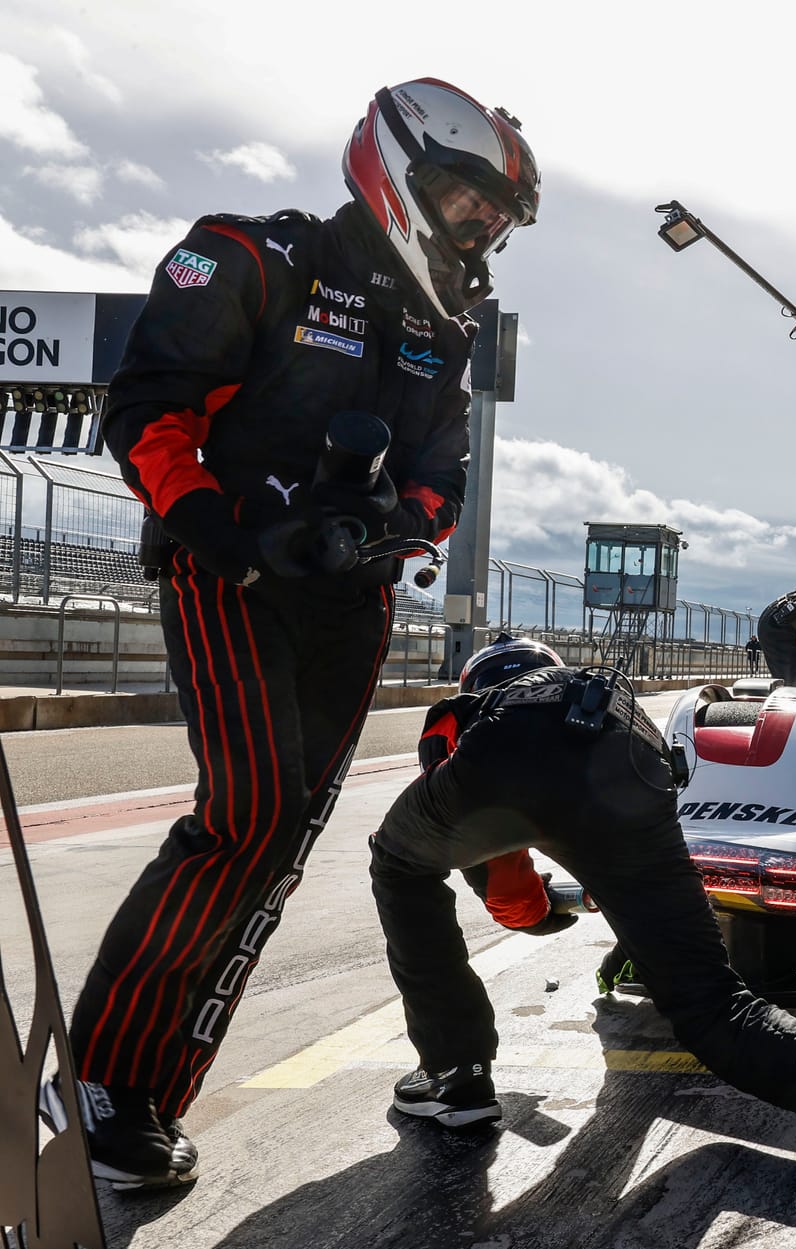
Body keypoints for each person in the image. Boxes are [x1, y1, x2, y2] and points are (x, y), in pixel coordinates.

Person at [54, 79, 539, 1192]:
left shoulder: (444, 329)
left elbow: (442, 475)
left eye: (495, 219)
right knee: (248, 811)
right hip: (227, 575)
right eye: (470, 203)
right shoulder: (249, 255)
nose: (481, 229)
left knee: (281, 837)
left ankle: (145, 1096)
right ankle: (102, 1084)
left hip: (350, 602)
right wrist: (230, 532)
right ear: (405, 170)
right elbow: (145, 408)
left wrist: (392, 524)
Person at [369, 636, 796, 1183]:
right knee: (712, 1007)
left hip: (514, 758)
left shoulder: (467, 717)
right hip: (633, 764)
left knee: (397, 863)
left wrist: (547, 911)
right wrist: (617, 910)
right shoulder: (590, 697)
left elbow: (509, 896)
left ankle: (456, 1075)